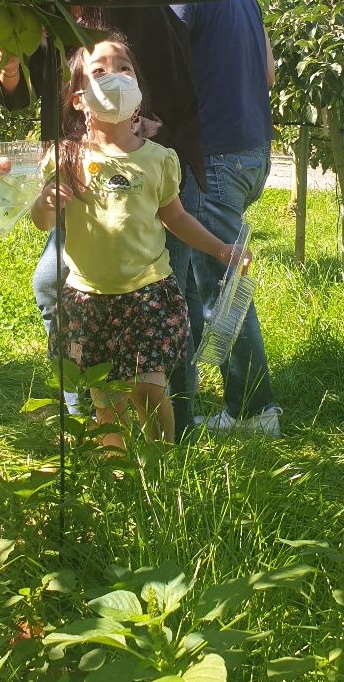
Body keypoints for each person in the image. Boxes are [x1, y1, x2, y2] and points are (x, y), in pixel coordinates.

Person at [0, 0, 205, 437]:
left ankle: (177, 420)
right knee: (56, 284)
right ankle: (93, 407)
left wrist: (151, 127)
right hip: (81, 169)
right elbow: (20, 93)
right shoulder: (49, 8)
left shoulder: (139, 6)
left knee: (164, 292)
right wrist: (10, 74)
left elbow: (179, 91)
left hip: (147, 167)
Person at [30, 33, 250, 447]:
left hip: (147, 293)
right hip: (86, 298)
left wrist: (220, 248)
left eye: (123, 68)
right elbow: (43, 223)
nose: (114, 77)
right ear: (79, 99)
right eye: (99, 72)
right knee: (106, 400)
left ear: (138, 90)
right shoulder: (67, 157)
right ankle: (116, 472)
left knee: (149, 389)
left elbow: (176, 218)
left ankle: (159, 460)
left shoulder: (159, 159)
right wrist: (45, 202)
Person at [143, 0, 280, 438]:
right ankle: (187, 401)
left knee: (218, 287)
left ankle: (252, 410)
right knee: (205, 278)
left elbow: (159, 67)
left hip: (213, 155)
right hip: (252, 151)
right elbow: (267, 73)